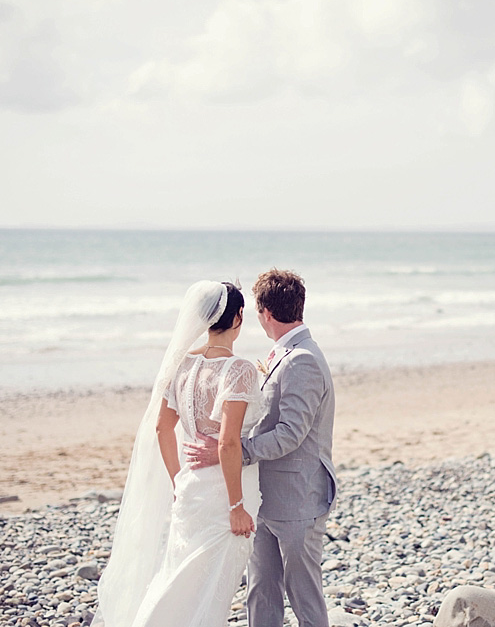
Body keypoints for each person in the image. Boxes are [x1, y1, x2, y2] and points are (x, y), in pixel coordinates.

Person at [92, 281, 264, 627]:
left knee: (179, 578)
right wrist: (236, 506)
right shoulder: (240, 370)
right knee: (207, 590)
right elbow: (227, 443)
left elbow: (161, 428)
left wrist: (177, 481)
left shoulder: (183, 364)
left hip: (190, 488)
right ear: (239, 317)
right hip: (223, 497)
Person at [185, 269, 337, 627]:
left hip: (298, 497)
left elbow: (290, 434)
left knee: (303, 594)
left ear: (265, 313)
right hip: (265, 494)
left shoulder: (303, 359)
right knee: (261, 589)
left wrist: (234, 450)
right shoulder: (282, 353)